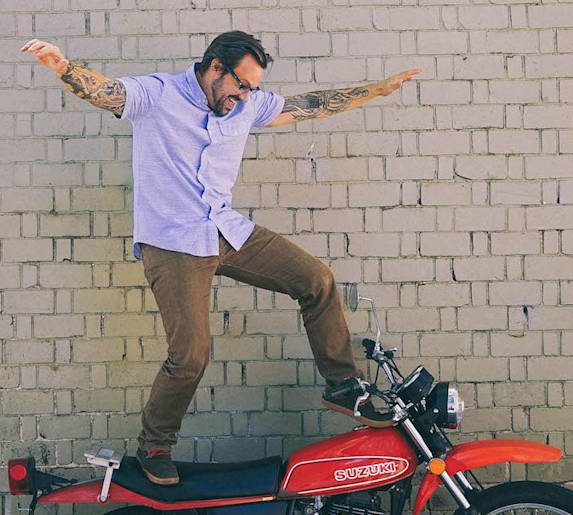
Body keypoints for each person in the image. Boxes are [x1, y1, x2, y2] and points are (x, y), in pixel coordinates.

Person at [21, 31, 418, 486]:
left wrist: (376, 90)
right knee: (191, 355)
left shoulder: (245, 103)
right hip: (172, 241)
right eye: (240, 85)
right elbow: (107, 91)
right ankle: (155, 445)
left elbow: (309, 104)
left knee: (317, 280)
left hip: (226, 230)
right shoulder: (158, 95)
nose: (245, 97)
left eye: (252, 88)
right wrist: (63, 67)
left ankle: (344, 387)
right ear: (214, 67)